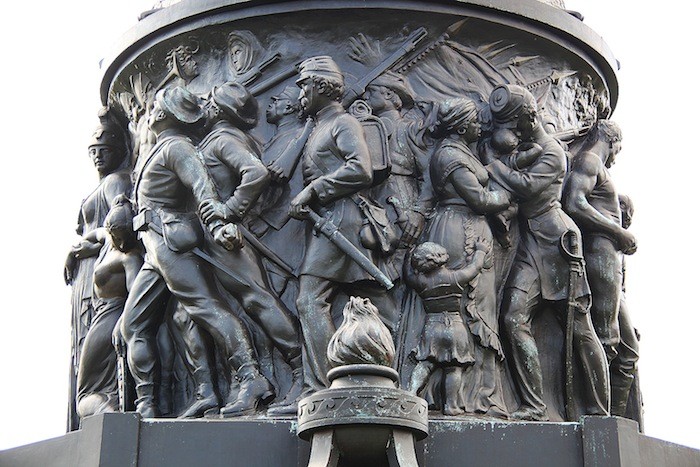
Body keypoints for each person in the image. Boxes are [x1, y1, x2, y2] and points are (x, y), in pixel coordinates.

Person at [121, 86, 272, 418]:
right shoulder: (160, 148)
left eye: (155, 108)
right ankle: (166, 399)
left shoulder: (177, 148)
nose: (150, 114)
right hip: (154, 247)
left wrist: (218, 222)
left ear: (162, 114)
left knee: (205, 307)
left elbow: (203, 187)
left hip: (170, 241)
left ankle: (251, 376)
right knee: (134, 325)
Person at [482, 84, 609, 421]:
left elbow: (525, 187)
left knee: (579, 328)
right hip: (531, 242)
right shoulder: (526, 146)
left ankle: (599, 412)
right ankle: (535, 406)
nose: (508, 131)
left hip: (558, 242)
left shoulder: (552, 152)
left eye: (512, 124)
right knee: (513, 317)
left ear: (528, 118)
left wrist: (493, 167)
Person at [289, 56, 397, 392]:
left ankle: (323, 386)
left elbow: (361, 169)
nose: (299, 92)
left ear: (321, 86)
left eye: (304, 84)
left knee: (310, 300)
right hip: (332, 220)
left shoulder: (344, 123)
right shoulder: (321, 125)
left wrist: (313, 189)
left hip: (341, 221)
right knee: (380, 304)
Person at [198, 82, 303, 415]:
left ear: (217, 109)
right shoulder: (227, 138)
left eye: (209, 102)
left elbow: (255, 173)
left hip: (225, 236)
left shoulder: (222, 140)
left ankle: (301, 371)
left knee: (257, 299)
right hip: (210, 238)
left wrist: (229, 209)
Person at [420, 98, 512, 417]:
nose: (480, 127)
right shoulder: (450, 156)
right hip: (459, 232)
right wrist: (513, 193)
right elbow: (479, 198)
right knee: (463, 307)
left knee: (475, 307)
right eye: (475, 122)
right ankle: (465, 397)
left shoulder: (461, 151)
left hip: (467, 228)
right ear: (461, 128)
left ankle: (475, 392)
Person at [64, 108, 132, 430]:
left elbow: (120, 225)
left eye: (104, 150)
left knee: (92, 360)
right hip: (89, 278)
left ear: (120, 149)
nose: (98, 156)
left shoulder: (116, 182)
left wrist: (87, 245)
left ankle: (107, 406)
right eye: (93, 151)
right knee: (83, 356)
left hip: (103, 278)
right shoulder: (99, 186)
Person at [563, 120, 636, 365]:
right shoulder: (590, 161)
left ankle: (608, 404)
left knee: (628, 347)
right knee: (607, 337)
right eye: (618, 148)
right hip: (600, 250)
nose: (615, 156)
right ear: (612, 141)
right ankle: (594, 403)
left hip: (608, 254)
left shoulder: (593, 165)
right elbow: (574, 202)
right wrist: (618, 232)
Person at [75, 196, 143, 420]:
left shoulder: (129, 258)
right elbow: (95, 234)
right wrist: (75, 252)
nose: (122, 243)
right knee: (88, 388)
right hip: (100, 317)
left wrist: (123, 323)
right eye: (117, 236)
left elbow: (135, 295)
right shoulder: (107, 241)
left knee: (85, 394)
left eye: (126, 237)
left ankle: (110, 414)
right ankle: (109, 409)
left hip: (112, 318)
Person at [404, 241, 488, 415]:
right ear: (441, 257)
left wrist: (407, 257)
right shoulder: (456, 278)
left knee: (426, 363)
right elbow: (475, 267)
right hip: (454, 326)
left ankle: (411, 393)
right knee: (453, 368)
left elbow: (407, 276)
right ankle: (450, 406)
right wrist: (480, 251)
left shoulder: (421, 282)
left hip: (432, 327)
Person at [610, 194, 641, 417]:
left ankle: (616, 415)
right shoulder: (607, 238)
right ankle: (612, 415)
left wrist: (629, 321)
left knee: (628, 354)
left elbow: (622, 289)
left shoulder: (618, 248)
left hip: (615, 300)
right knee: (627, 352)